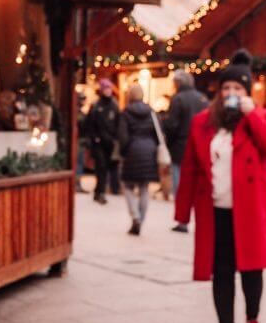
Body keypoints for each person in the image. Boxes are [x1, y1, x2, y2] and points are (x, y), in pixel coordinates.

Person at [175, 50, 266, 323]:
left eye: (238, 89)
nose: (231, 94)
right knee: (221, 269)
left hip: (250, 209)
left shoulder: (261, 117)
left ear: (247, 92)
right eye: (227, 89)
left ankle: (253, 319)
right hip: (216, 210)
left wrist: (252, 115)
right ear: (219, 92)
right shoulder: (202, 122)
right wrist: (182, 213)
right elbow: (190, 167)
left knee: (252, 268)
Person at [164, 70, 209, 233]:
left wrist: (168, 137)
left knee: (180, 183)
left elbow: (172, 125)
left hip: (181, 146)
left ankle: (182, 220)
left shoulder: (178, 99)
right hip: (202, 146)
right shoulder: (202, 98)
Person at [117, 83, 159, 235]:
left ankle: (135, 216)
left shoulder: (126, 113)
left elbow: (123, 136)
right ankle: (141, 218)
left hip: (132, 150)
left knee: (127, 186)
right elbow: (158, 134)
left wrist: (124, 151)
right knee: (144, 188)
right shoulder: (151, 112)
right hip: (149, 150)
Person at [84, 79, 120, 204]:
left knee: (109, 167)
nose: (108, 91)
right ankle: (101, 192)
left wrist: (116, 138)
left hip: (110, 142)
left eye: (109, 88)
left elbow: (118, 123)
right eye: (105, 89)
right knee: (101, 167)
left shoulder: (114, 105)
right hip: (98, 142)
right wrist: (94, 138)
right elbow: (89, 124)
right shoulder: (96, 106)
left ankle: (102, 190)